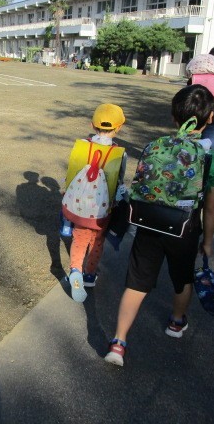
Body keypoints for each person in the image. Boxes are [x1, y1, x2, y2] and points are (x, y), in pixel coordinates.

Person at [104, 85, 214, 366]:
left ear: (173, 116)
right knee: (182, 279)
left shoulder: (155, 146)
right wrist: (207, 241)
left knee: (137, 282)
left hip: (148, 222)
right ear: (210, 118)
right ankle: (176, 322)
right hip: (184, 228)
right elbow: (211, 207)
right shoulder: (212, 159)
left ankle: (118, 342)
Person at [63, 104, 127, 302]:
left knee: (79, 238)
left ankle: (75, 270)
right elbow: (119, 181)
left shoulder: (83, 146)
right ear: (119, 127)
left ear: (92, 125)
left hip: (80, 205)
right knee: (97, 240)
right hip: (102, 208)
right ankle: (89, 276)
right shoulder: (119, 153)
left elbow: (72, 172)